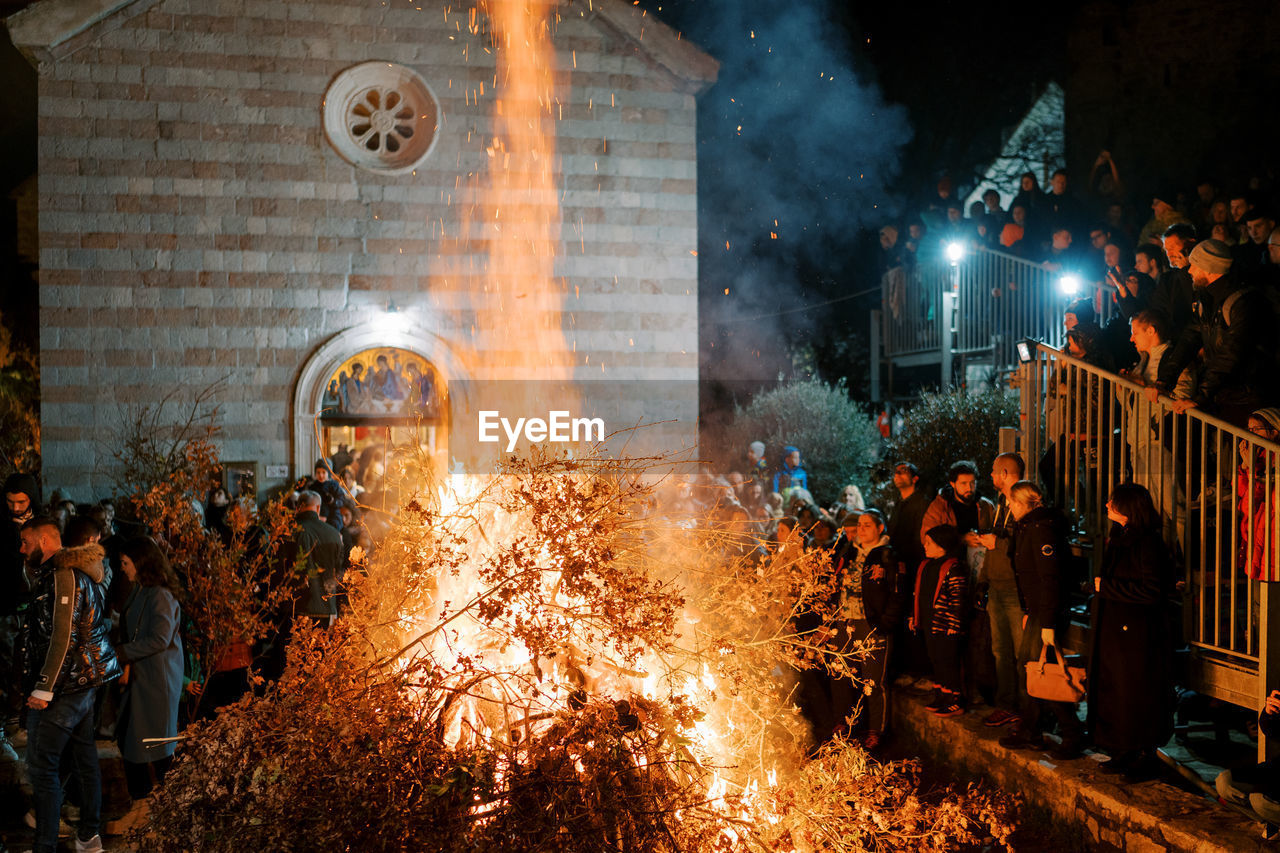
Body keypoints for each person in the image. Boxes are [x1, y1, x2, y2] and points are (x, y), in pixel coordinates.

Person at [20, 516, 120, 853]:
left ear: (45, 542)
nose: (22, 549)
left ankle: (45, 844)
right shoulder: (63, 574)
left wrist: (44, 687)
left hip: (66, 687)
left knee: (43, 764)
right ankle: (89, 838)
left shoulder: (64, 575)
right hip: (80, 684)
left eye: (26, 543)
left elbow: (63, 635)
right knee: (82, 758)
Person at [1088, 484, 1175, 781]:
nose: (1108, 503)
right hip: (1117, 629)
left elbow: (1152, 590)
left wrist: (1106, 587)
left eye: (1114, 501)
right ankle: (1122, 749)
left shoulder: (1147, 543)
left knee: (1136, 693)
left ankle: (1143, 755)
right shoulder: (1121, 537)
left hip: (1138, 634)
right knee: (1118, 692)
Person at [998, 481, 1084, 760]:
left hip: (1046, 612)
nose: (1008, 506)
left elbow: (1049, 578)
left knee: (1042, 670)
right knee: (1034, 668)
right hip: (1038, 611)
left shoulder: (1039, 530)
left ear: (1022, 503)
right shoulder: (1029, 527)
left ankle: (1070, 732)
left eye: (1011, 501)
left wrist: (1046, 623)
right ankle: (1033, 729)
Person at [105, 537, 184, 836]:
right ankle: (144, 806)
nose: (122, 568)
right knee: (134, 740)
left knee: (156, 745)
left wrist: (121, 653)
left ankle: (164, 811)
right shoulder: (143, 590)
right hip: (142, 678)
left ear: (141, 563)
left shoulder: (159, 595)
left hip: (156, 681)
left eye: (126, 563)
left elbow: (160, 639)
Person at [829, 510, 907, 752]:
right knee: (840, 673)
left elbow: (897, 591)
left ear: (880, 528)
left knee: (874, 680)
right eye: (860, 525)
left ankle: (876, 730)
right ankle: (845, 722)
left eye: (867, 525)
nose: (861, 529)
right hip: (844, 622)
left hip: (870, 623)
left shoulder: (887, 555)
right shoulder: (848, 552)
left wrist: (885, 622)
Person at [975, 453, 1026, 728]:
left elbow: (1026, 545)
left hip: (1015, 589)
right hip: (997, 585)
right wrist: (984, 578)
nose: (991, 477)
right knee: (1001, 651)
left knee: (1021, 653)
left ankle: (1028, 710)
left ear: (1005, 473)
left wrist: (999, 545)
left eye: (994, 472)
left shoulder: (1024, 503)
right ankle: (1007, 705)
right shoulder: (998, 504)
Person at [910, 525, 968, 718]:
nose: (925, 546)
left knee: (948, 661)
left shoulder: (953, 567)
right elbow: (918, 594)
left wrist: (954, 624)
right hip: (929, 624)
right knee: (935, 659)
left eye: (929, 542)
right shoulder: (926, 565)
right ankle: (942, 695)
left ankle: (955, 699)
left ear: (942, 545)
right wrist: (914, 616)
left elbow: (957, 599)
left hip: (945, 626)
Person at [1238, 408, 1280, 582]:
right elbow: (1242, 496)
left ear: (1274, 432)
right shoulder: (1258, 456)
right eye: (1249, 429)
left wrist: (1253, 469)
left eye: (1256, 429)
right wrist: (1245, 466)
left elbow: (1261, 498)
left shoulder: (1275, 459)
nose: (1251, 434)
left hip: (1271, 532)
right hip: (1258, 530)